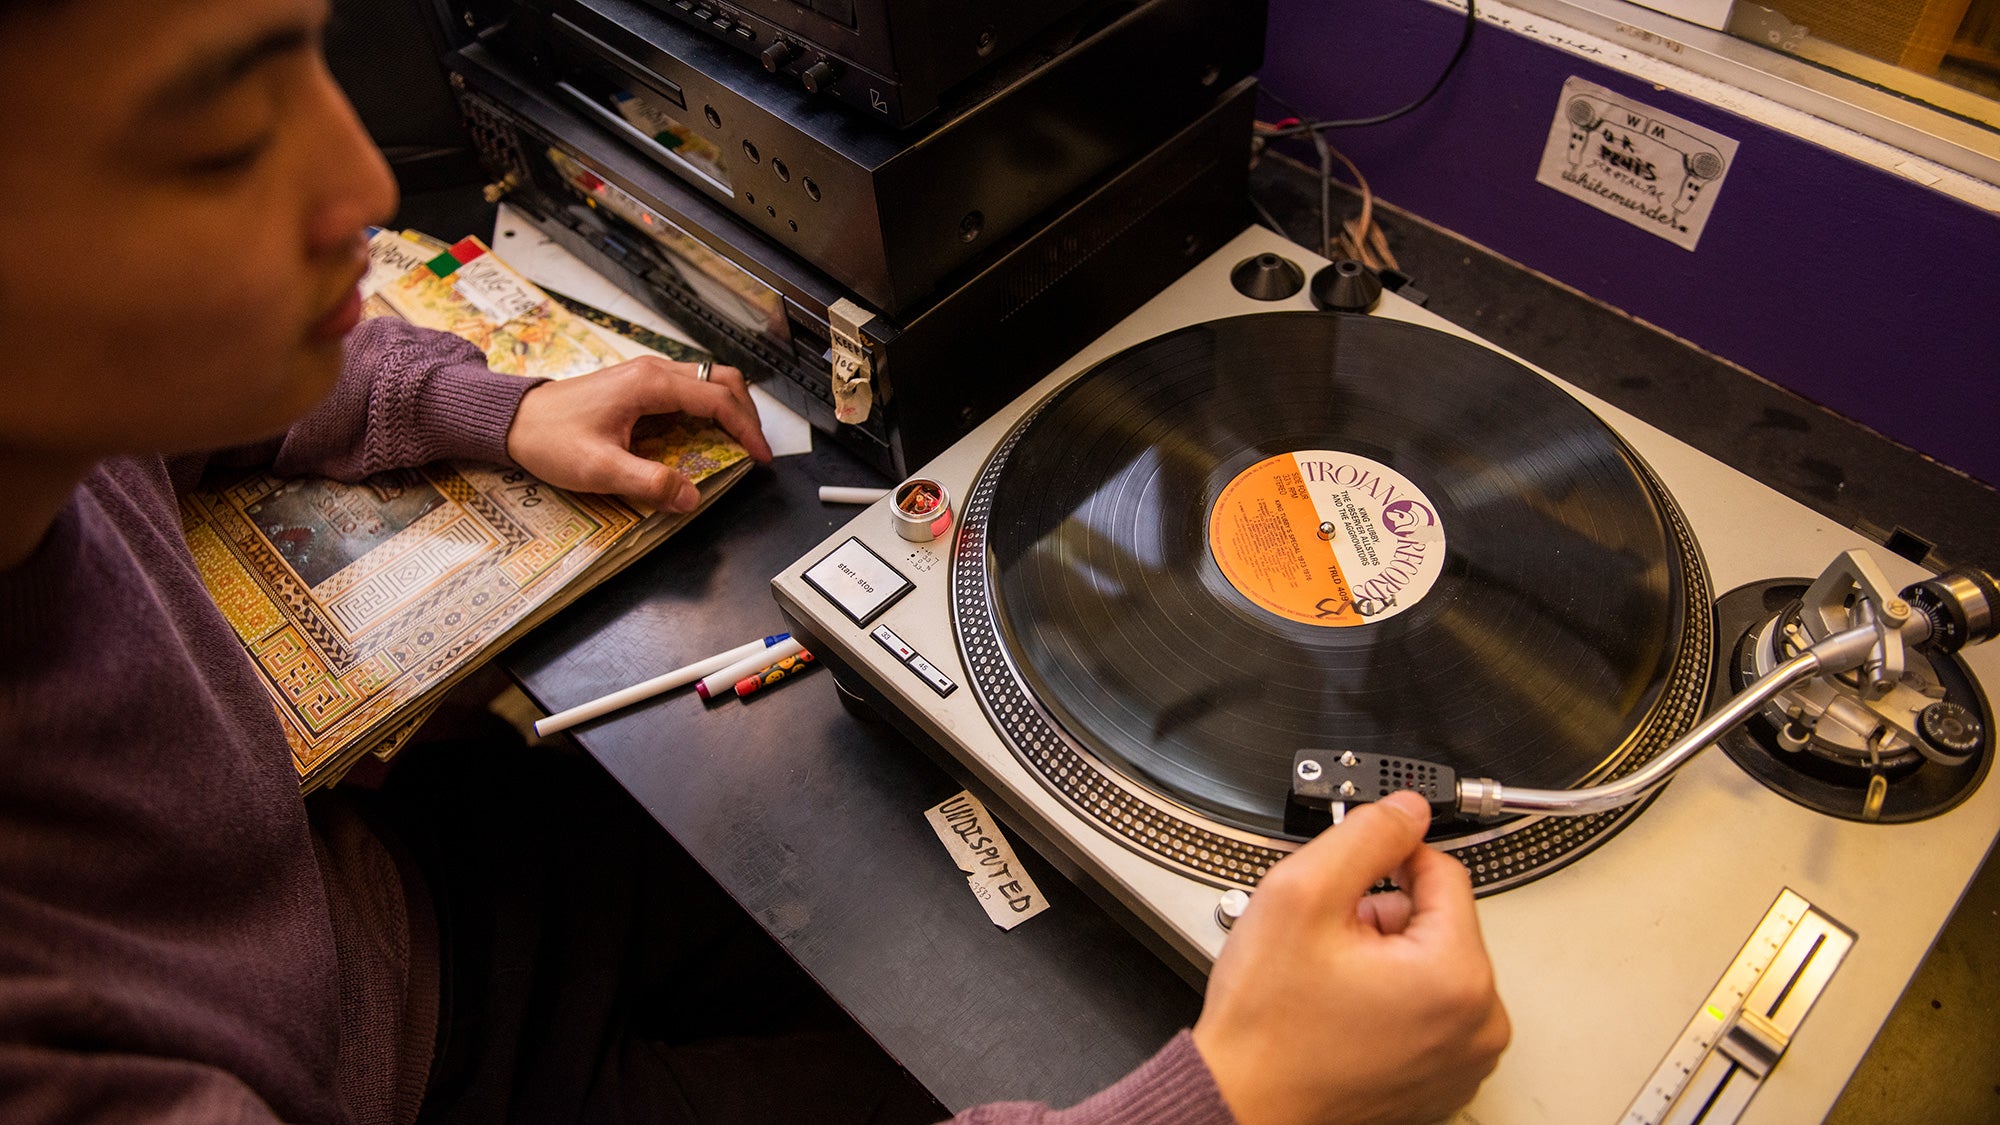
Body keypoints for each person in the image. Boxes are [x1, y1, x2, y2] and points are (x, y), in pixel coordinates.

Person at [0, 0, 1510, 1122]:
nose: (366, 189)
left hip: (411, 910)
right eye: (215, 140)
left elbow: (170, 399)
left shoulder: (58, 408)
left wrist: (488, 400)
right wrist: (1234, 1103)